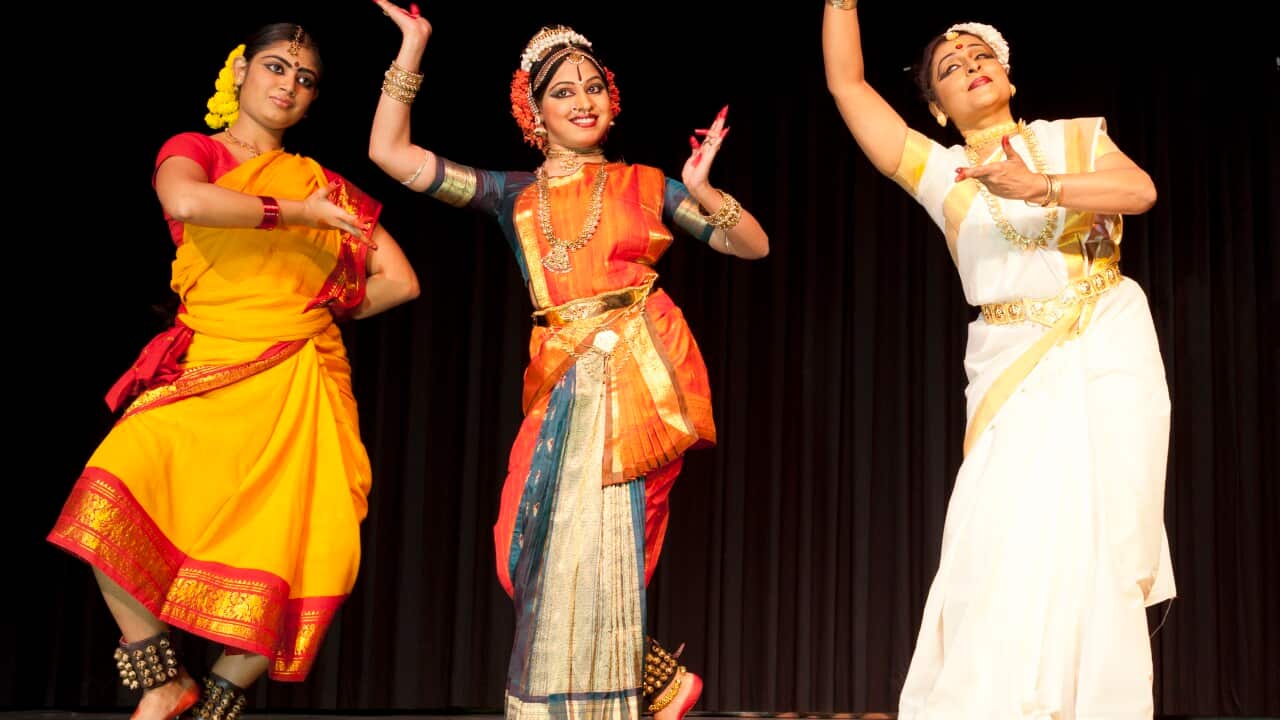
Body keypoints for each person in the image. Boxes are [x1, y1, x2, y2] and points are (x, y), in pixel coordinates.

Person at [366, 4, 769, 719]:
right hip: (558, 379)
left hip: (639, 384)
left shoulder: (648, 186)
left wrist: (705, 192)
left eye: (593, 87)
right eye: (562, 91)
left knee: (615, 556)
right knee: (518, 551)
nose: (583, 101)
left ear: (611, 100)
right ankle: (657, 680)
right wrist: (413, 48)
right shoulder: (511, 195)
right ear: (534, 112)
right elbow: (391, 157)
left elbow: (751, 247)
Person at [47, 22, 418, 720]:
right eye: (276, 68)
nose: (288, 85)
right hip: (211, 364)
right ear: (240, 72)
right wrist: (296, 217)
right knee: (105, 496)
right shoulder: (202, 153)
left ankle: (216, 700)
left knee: (291, 544)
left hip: (293, 376)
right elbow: (184, 201)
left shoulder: (322, 184)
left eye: (305, 79)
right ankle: (162, 681)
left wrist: (313, 305)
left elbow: (399, 280)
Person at [822, 3, 1174, 718]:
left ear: (1007, 72)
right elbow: (848, 86)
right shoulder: (940, 169)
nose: (971, 67)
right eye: (950, 69)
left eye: (980, 54)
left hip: (1105, 344)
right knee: (1002, 538)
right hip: (1012, 374)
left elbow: (1139, 192)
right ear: (937, 108)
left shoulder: (1074, 138)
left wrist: (1040, 188)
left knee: (1099, 537)